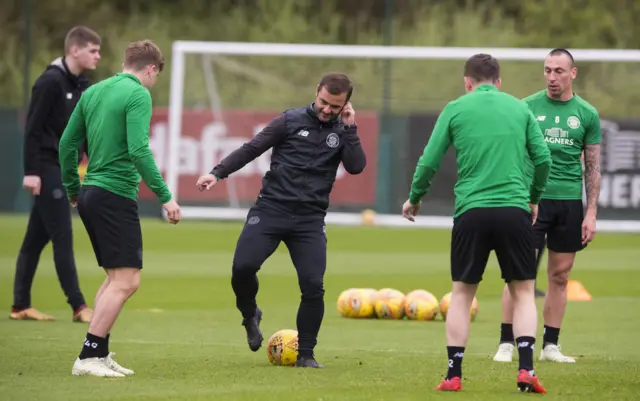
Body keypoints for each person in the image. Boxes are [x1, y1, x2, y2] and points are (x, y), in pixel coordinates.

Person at [402, 53, 551, 393]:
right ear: (499, 82)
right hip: (514, 209)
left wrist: (416, 196)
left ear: (467, 82)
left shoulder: (456, 108)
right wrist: (533, 197)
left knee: (461, 294)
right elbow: (542, 158)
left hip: (471, 211)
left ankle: (454, 374)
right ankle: (526, 369)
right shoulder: (519, 108)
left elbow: (429, 160)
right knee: (524, 291)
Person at [196, 72, 366, 368]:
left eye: (335, 107)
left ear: (346, 105)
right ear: (317, 91)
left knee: (313, 285)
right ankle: (250, 313)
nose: (327, 109)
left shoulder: (343, 130)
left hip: (309, 219)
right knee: (242, 268)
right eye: (324, 102)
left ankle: (306, 355)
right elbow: (252, 149)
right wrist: (217, 173)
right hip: (270, 210)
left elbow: (356, 167)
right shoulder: (289, 121)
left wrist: (350, 128)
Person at [58, 39, 182, 377]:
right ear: (151, 69)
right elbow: (139, 148)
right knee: (127, 282)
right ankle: (88, 357)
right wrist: (165, 195)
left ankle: (98, 351)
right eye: (155, 75)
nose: (153, 82)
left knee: (115, 278)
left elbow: (67, 143)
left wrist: (72, 187)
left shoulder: (94, 92)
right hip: (114, 194)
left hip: (91, 193)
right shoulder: (138, 93)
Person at [493, 48, 601, 364]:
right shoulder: (526, 107)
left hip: (569, 204)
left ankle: (550, 345)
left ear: (573, 73)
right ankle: (505, 343)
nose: (552, 77)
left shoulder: (587, 114)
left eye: (558, 71)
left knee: (560, 276)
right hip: (531, 202)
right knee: (519, 273)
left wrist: (591, 211)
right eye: (547, 70)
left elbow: (593, 167)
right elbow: (511, 153)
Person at [11, 26, 102, 323]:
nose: (98, 56)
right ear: (74, 50)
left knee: (34, 240)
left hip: (65, 167)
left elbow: (83, 129)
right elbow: (33, 129)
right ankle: (78, 306)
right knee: (62, 234)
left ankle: (20, 305)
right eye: (93, 50)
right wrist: (31, 172)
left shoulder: (82, 85)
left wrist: (94, 159)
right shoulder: (49, 82)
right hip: (48, 167)